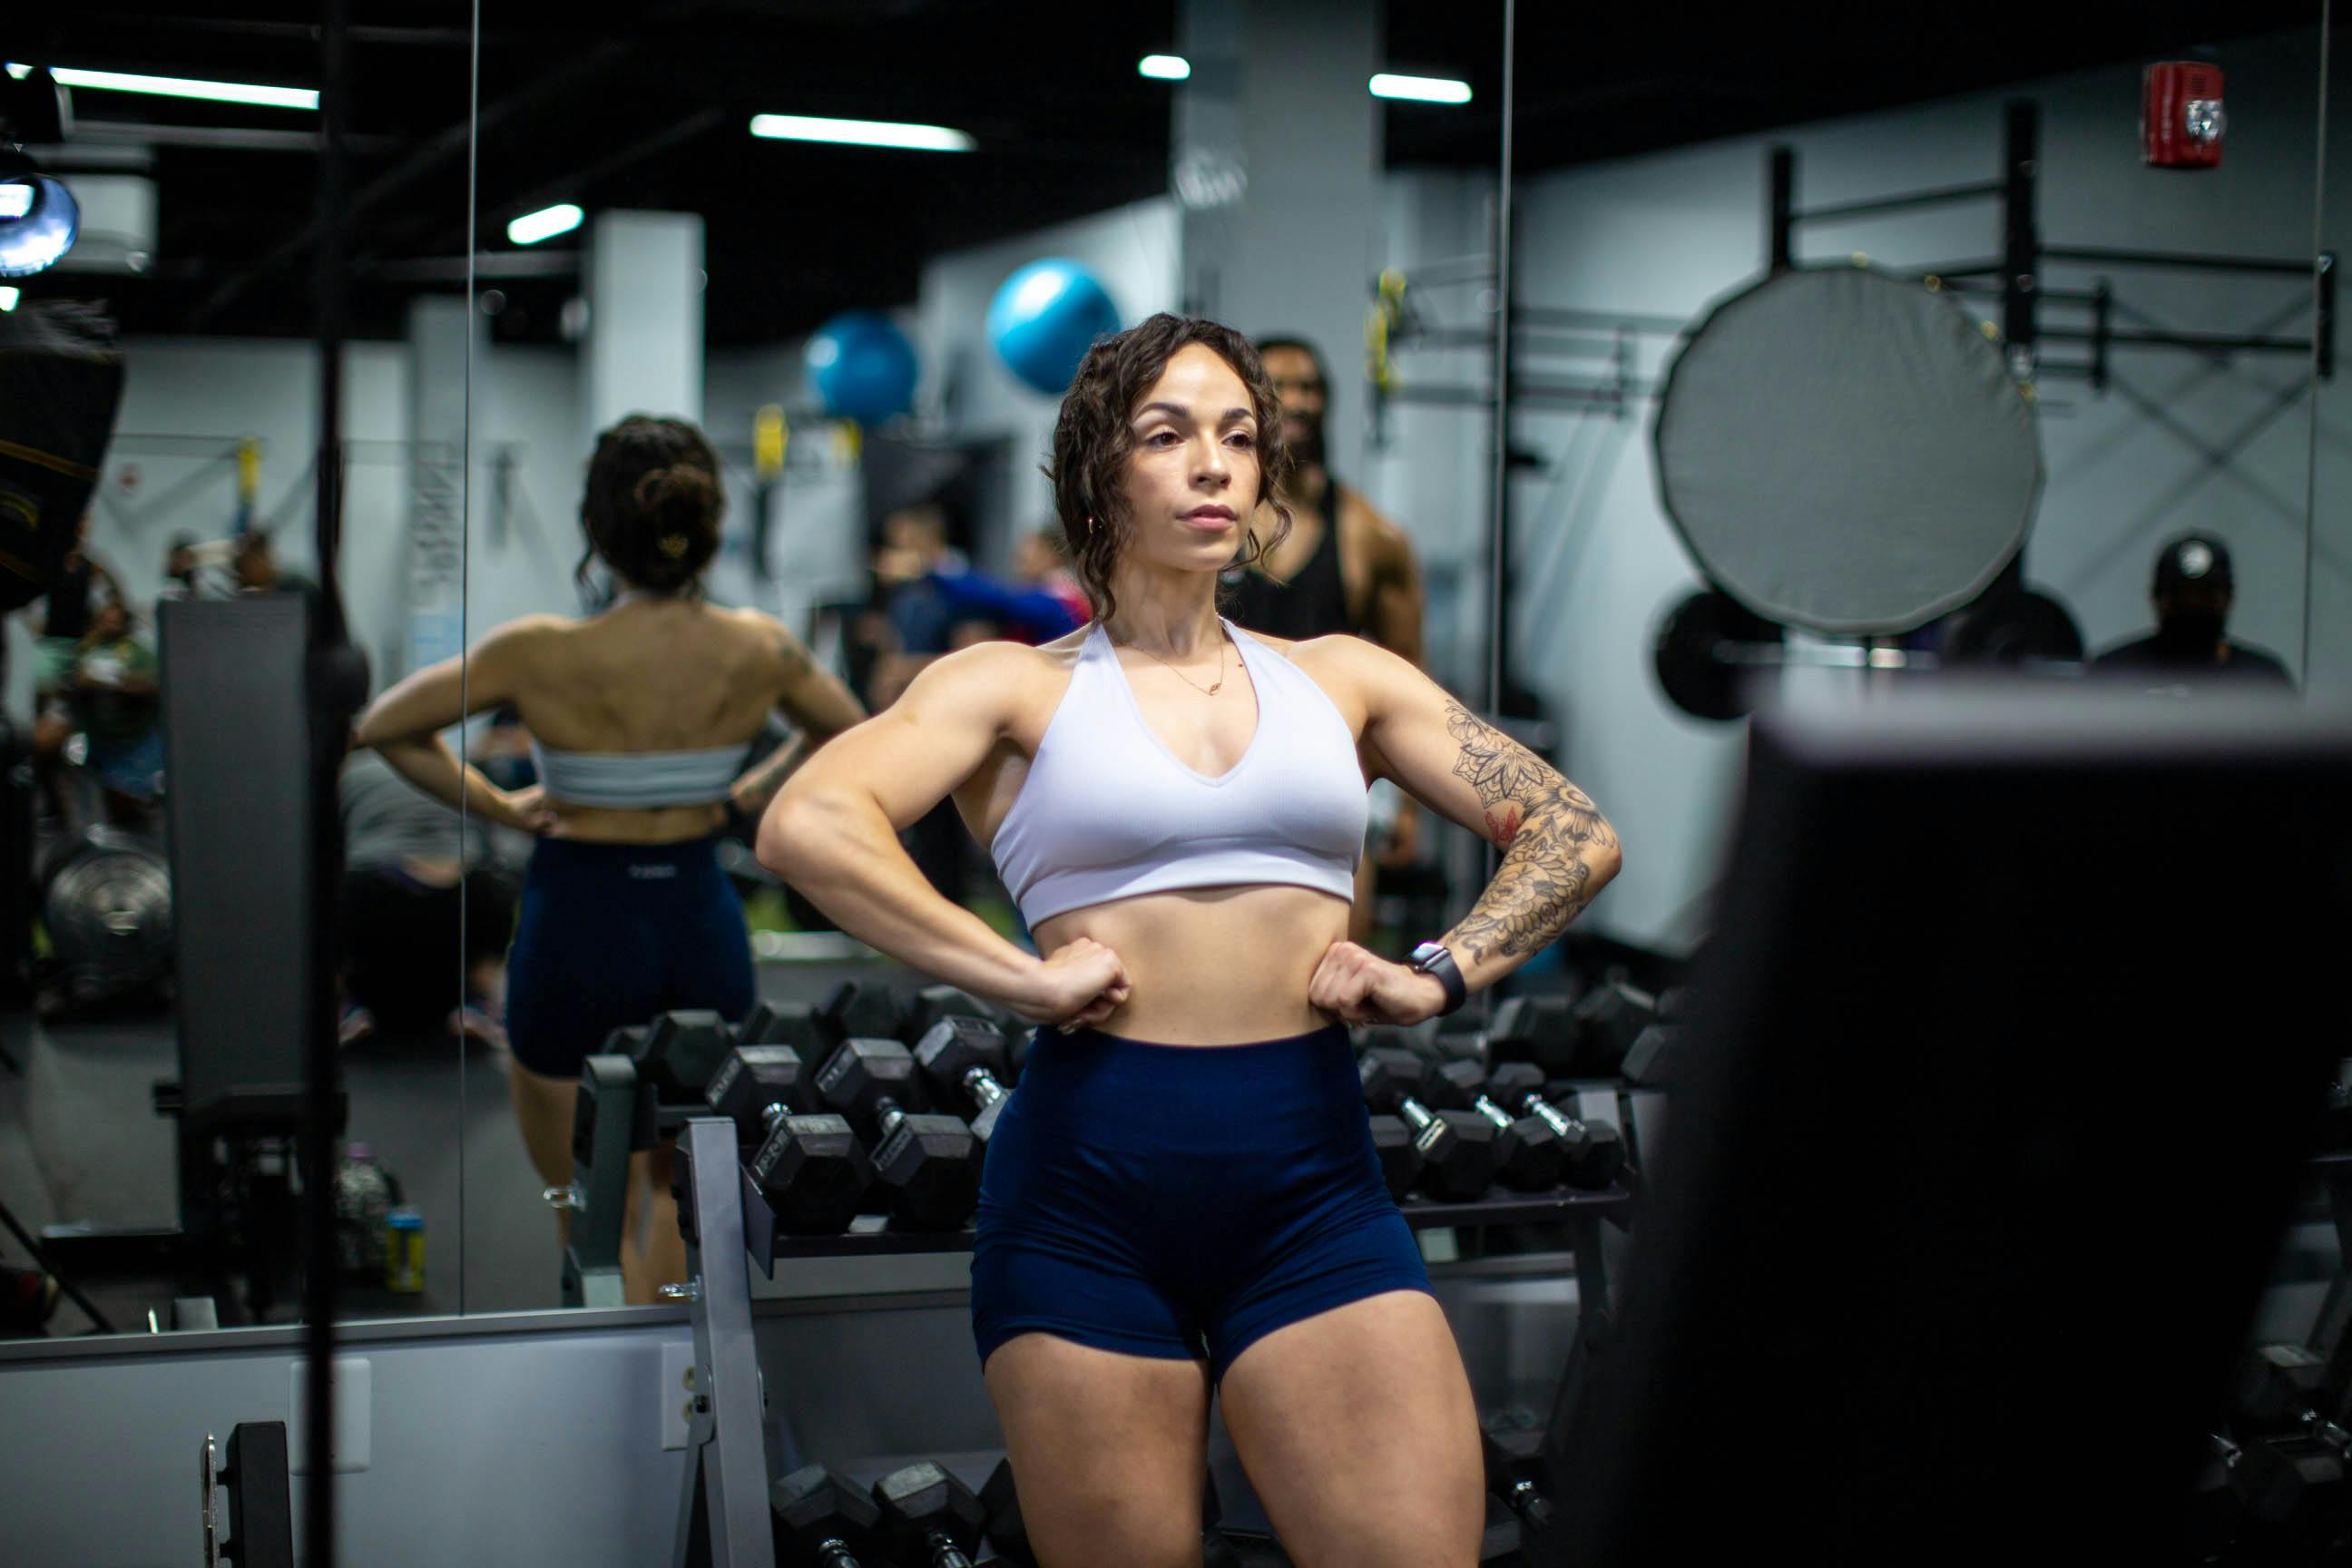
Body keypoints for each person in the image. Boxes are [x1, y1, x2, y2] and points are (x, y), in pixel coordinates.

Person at [758, 314, 1621, 1568]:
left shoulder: (1343, 679)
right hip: (1083, 1201)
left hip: (1314, 1188)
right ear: (1104, 471)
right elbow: (808, 822)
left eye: (1237, 437)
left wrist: (1440, 970)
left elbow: (1570, 828)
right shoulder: (1012, 688)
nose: (1214, 464)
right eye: (1169, 436)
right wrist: (1021, 977)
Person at [354, 415, 866, 1302]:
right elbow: (847, 729)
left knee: (583, 1202)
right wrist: (745, 794)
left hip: (578, 919)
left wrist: (501, 806)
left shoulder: (540, 650)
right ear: (705, 528)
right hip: (698, 918)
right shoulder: (760, 647)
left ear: (598, 530)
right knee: (686, 1194)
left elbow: (386, 726)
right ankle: (682, 1403)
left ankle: (610, 1391)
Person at [1225, 336, 1430, 946]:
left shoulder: (1373, 536)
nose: (1299, 401)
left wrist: (1407, 805)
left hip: (1326, 780)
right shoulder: (1208, 523)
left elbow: (1406, 675)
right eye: (1280, 386)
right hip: (1214, 764)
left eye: (1311, 387)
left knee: (1334, 974)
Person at [337, 741, 519, 1049]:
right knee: (494, 894)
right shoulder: (463, 770)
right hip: (464, 890)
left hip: (372, 891)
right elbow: (495, 848)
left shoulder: (352, 773)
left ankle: (347, 1008)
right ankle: (477, 1003)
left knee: (325, 907)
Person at [2090, 534, 2294, 688]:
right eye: (2180, 596)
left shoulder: (2264, 681)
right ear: (2156, 598)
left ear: (2229, 599)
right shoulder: (2112, 675)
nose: (2193, 605)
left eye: (2206, 596)